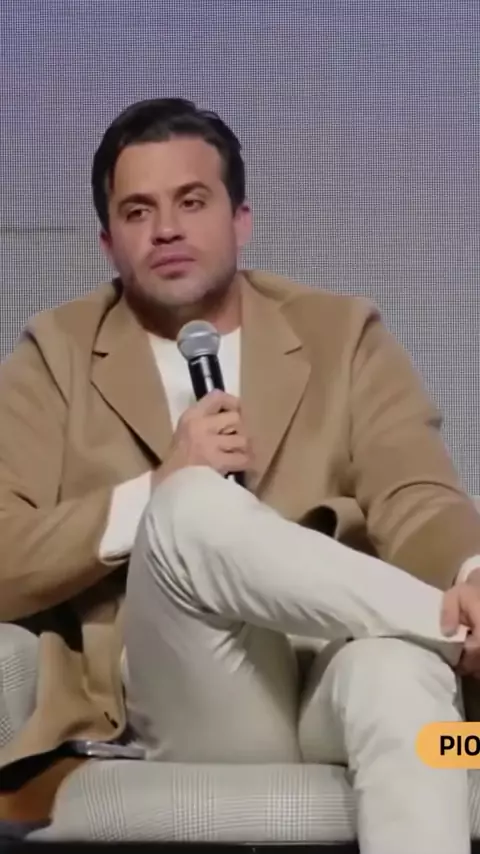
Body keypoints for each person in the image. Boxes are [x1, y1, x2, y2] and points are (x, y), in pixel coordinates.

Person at [0, 97, 480, 853]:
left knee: (398, 676)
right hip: (187, 691)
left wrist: (472, 571)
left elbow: (415, 495)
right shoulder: (55, 354)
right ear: (108, 243)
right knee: (189, 502)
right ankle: (447, 627)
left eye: (192, 202)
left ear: (241, 220)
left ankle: (438, 632)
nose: (166, 229)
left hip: (333, 671)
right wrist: (154, 492)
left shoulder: (342, 333)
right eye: (137, 211)